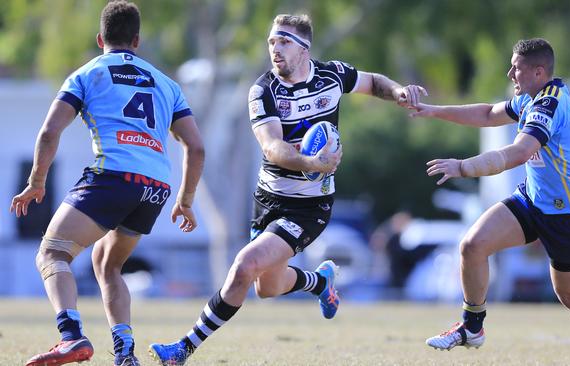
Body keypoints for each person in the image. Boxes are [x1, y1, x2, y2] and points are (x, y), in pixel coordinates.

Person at [148, 13, 427, 365]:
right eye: (271, 42)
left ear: (304, 50)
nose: (275, 50)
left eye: (283, 42)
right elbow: (272, 148)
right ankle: (319, 282)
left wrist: (400, 91)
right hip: (268, 200)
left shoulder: (332, 76)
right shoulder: (263, 90)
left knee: (243, 268)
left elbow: (372, 83)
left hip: (310, 207)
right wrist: (311, 163)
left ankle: (183, 349)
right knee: (268, 287)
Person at [10, 2, 205, 366]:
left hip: (114, 177)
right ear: (137, 40)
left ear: (100, 38)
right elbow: (195, 146)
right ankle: (125, 354)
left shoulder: (89, 73)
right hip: (154, 187)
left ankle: (71, 337)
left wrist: (37, 182)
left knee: (53, 253)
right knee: (107, 264)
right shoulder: (166, 83)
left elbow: (50, 131)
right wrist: (187, 199)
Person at [410, 38, 570, 365]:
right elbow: (486, 114)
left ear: (539, 72)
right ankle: (472, 327)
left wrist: (463, 167)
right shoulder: (529, 97)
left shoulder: (548, 105)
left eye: (517, 67)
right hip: (532, 201)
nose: (510, 72)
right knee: (472, 245)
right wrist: (434, 111)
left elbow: (519, 152)